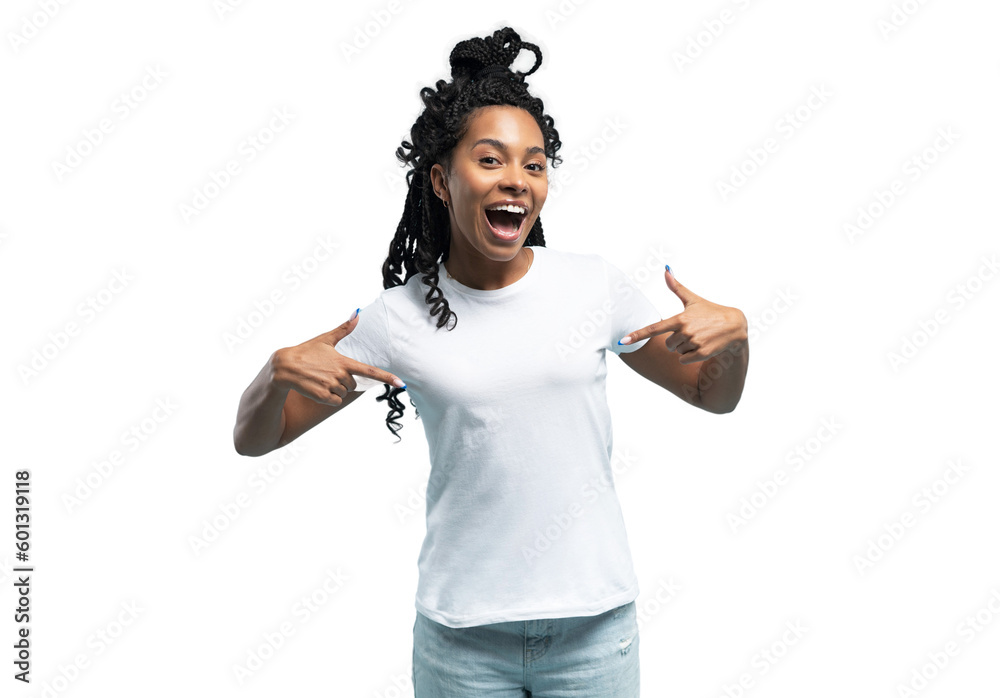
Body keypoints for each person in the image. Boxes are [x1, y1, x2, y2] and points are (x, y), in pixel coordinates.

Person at [233, 26, 749, 697]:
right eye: (490, 160)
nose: (517, 180)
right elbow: (256, 438)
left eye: (535, 165)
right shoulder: (398, 317)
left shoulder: (593, 286)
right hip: (462, 644)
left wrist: (736, 339)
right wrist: (274, 375)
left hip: (594, 635)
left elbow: (712, 395)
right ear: (442, 181)